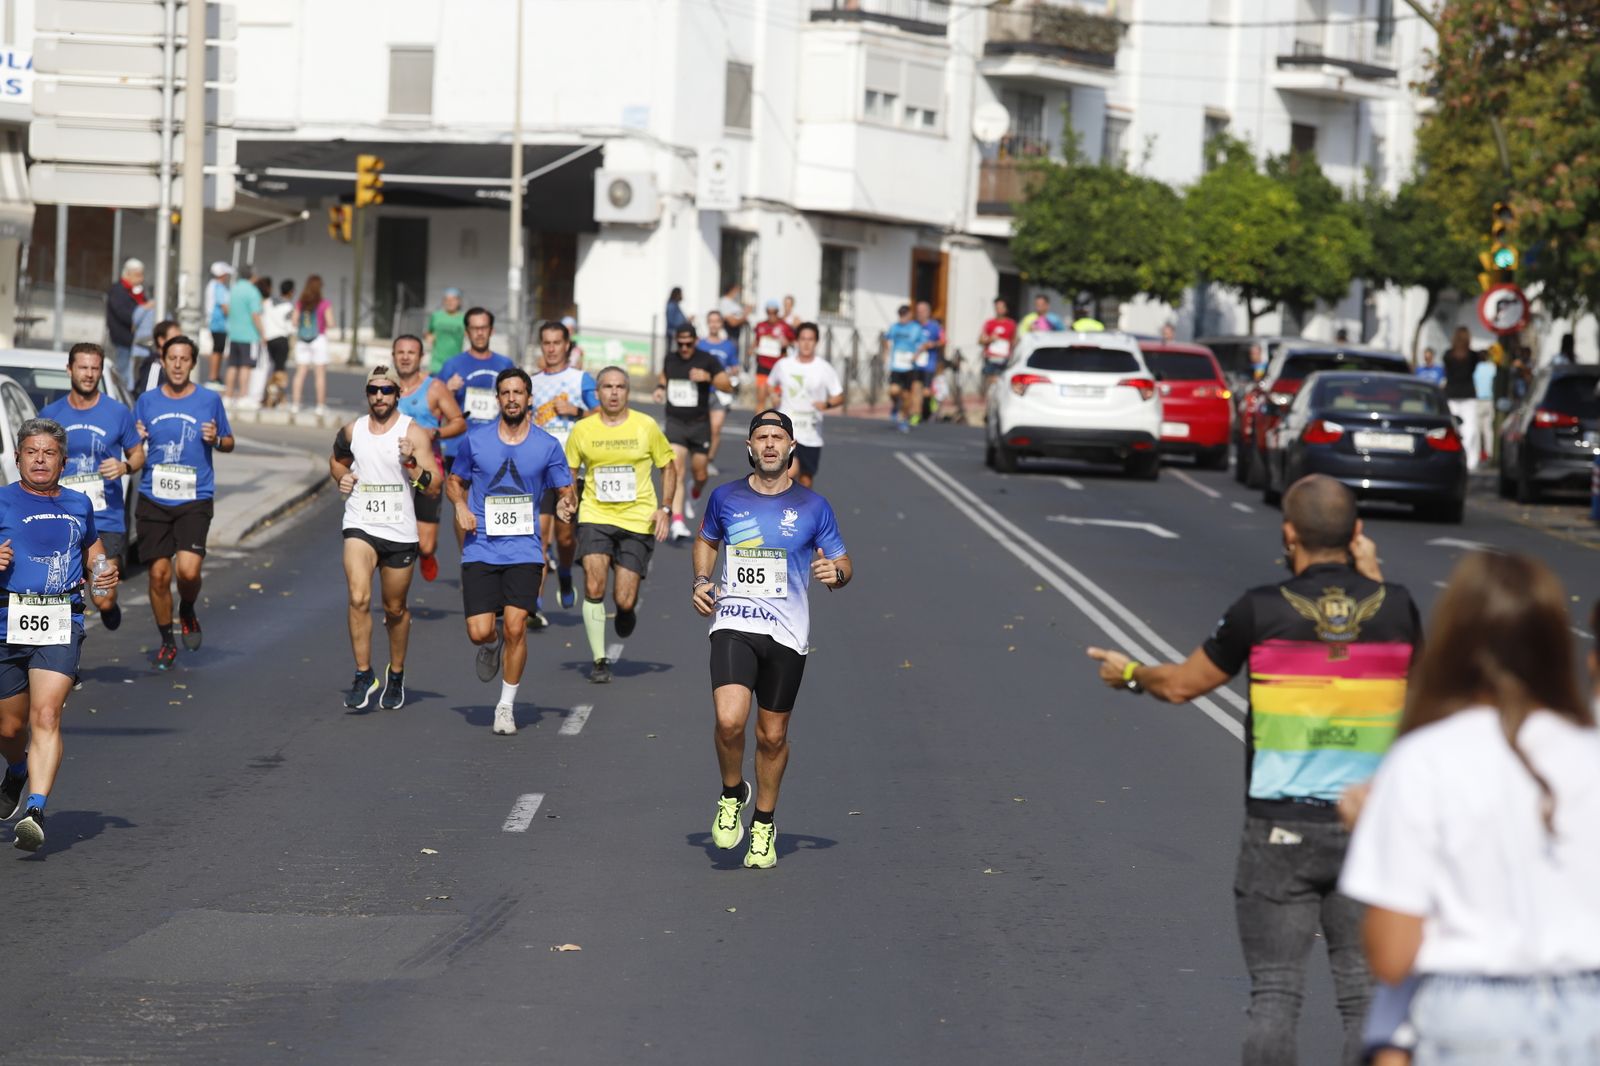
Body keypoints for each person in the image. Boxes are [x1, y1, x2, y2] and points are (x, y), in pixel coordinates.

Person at [1085, 474, 1420, 1066]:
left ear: (1289, 533)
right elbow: (1402, 657)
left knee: (1275, 996)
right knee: (1366, 999)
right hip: (1373, 832)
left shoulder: (1260, 610)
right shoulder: (1397, 609)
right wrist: (1371, 574)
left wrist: (1132, 673)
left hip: (1278, 832)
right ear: (1358, 534)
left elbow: (1186, 685)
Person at [1340, 555, 1600, 1063]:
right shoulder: (1589, 751)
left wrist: (1370, 834)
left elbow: (1392, 955)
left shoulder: (1425, 759)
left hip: (1470, 1016)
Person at [692, 410, 852, 869]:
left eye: (776, 438)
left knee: (772, 735)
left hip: (787, 632)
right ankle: (730, 793)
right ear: (748, 446)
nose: (768, 445)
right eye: (760, 437)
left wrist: (835, 574)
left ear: (790, 447)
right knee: (728, 721)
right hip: (735, 621)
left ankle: (763, 823)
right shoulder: (725, 497)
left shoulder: (813, 506)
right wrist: (702, 581)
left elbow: (842, 562)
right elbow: (706, 541)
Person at [0, 418, 120, 852]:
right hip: (7, 620)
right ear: (17, 458)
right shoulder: (2, 501)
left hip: (60, 618)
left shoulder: (79, 503)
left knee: (46, 715)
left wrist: (102, 572)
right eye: (31, 451)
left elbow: (93, 548)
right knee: (10, 728)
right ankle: (16, 770)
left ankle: (34, 809)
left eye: (48, 453)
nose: (39, 459)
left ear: (63, 461)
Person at [445, 368, 576, 736]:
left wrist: (567, 505)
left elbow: (566, 490)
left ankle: (505, 706)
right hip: (481, 546)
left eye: (519, 392)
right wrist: (459, 505)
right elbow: (455, 482)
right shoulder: (476, 440)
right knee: (479, 631)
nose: (513, 398)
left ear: (529, 398)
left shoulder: (547, 445)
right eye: (506, 393)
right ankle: (490, 646)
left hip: (525, 548)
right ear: (498, 399)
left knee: (517, 626)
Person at [330, 365, 442, 711]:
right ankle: (364, 674)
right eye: (374, 390)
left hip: (399, 530)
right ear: (367, 394)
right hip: (361, 524)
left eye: (387, 390)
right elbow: (336, 461)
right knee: (359, 597)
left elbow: (434, 486)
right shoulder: (352, 431)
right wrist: (343, 478)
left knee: (394, 609)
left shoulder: (414, 434)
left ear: (398, 394)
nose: (380, 396)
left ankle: (396, 673)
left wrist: (411, 464)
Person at [564, 366, 676, 684]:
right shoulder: (582, 430)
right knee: (593, 585)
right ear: (597, 392)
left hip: (637, 519)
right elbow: (570, 471)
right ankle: (600, 660)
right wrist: (568, 498)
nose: (614, 392)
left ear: (627, 391)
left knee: (624, 598)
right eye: (607, 387)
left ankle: (625, 611)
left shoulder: (646, 426)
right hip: (595, 516)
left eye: (620, 387)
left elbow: (668, 466)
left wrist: (665, 508)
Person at [134, 335, 235, 671]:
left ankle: (187, 608)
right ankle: (166, 641)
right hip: (154, 497)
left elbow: (229, 441)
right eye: (172, 358)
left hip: (195, 497)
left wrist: (216, 439)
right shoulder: (147, 401)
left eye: (184, 359)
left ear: (193, 363)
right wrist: (137, 438)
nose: (177, 365)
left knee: (188, 572)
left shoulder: (209, 400)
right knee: (159, 576)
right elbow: (133, 445)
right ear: (163, 361)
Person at [37, 343, 145, 633]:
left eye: (94, 368)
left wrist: (124, 467)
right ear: (69, 370)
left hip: (105, 519)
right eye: (83, 367)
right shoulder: (50, 414)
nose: (88, 374)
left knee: (103, 596)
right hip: (61, 516)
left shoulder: (117, 413)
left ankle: (107, 606)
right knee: (57, 591)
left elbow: (138, 454)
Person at [528, 320, 598, 625]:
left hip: (571, 471)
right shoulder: (532, 381)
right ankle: (535, 603)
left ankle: (567, 573)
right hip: (540, 470)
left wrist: (577, 412)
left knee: (566, 538)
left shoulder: (580, 379)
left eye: (557, 343)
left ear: (567, 346)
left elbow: (604, 412)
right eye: (547, 343)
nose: (552, 348)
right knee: (539, 537)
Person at [393, 334, 466, 583]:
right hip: (394, 470)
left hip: (426, 469)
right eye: (400, 352)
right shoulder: (384, 389)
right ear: (393, 357)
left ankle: (426, 555)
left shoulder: (434, 387)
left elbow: (459, 422)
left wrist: (436, 432)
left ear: (420, 357)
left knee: (425, 544)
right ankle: (397, 596)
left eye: (411, 352)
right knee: (395, 540)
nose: (405, 357)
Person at [653, 326, 732, 542]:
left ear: (696, 341)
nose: (684, 348)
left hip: (699, 425)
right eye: (680, 344)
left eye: (689, 343)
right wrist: (661, 387)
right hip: (675, 422)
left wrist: (708, 377)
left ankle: (694, 491)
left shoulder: (707, 360)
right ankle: (677, 521)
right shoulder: (670, 359)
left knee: (700, 474)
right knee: (676, 469)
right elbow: (664, 373)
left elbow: (727, 386)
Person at [767, 322, 844, 488]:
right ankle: (776, 509)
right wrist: (774, 395)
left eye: (810, 339)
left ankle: (801, 511)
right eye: (803, 339)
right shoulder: (784, 365)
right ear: (796, 341)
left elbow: (839, 396)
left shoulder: (824, 368)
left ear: (816, 342)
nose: (806, 343)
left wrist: (827, 404)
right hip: (787, 429)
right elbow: (770, 383)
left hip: (811, 431)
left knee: (806, 480)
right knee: (788, 472)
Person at [698, 309, 742, 471]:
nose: (714, 324)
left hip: (720, 392)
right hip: (702, 392)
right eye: (711, 321)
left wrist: (732, 372)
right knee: (700, 427)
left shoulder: (728, 346)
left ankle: (709, 460)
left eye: (717, 321)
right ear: (708, 323)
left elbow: (735, 366)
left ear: (721, 324)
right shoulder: (700, 344)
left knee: (716, 428)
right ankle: (699, 458)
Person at [290, 275, 335, 416]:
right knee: (320, 374)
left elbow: (294, 321)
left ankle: (296, 404)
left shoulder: (300, 303)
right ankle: (320, 406)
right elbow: (331, 322)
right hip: (319, 339)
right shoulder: (324, 303)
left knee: (300, 373)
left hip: (302, 339)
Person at [1441, 327, 1482, 471]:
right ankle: (1470, 460)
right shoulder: (1472, 356)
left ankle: (1452, 458)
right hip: (1468, 395)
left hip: (1451, 394)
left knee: (1452, 428)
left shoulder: (1447, 355)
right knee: (1470, 429)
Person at [224, 264, 264, 407]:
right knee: (246, 366)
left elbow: (227, 308)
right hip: (249, 334)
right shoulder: (253, 292)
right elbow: (255, 315)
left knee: (232, 365)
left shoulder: (233, 289)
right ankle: (243, 395)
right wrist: (262, 333)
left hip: (234, 333)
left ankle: (228, 396)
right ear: (253, 275)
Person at [105, 258, 148, 386]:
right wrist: (142, 310)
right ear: (128, 274)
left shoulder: (137, 292)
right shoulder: (118, 291)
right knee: (122, 372)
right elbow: (124, 314)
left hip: (135, 340)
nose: (141, 279)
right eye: (138, 275)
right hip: (123, 338)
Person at [883, 304, 923, 433]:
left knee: (907, 396)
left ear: (910, 315)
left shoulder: (916, 328)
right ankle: (896, 405)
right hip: (896, 365)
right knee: (893, 391)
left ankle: (903, 419)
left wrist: (916, 355)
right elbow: (886, 339)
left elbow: (923, 343)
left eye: (904, 315)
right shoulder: (895, 327)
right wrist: (886, 353)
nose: (902, 318)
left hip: (909, 366)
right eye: (900, 315)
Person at [752, 300, 796, 412]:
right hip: (763, 365)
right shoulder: (761, 325)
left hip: (778, 367)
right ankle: (758, 426)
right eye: (769, 312)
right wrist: (752, 349)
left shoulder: (784, 326)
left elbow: (795, 341)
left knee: (777, 401)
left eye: (774, 312)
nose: (771, 315)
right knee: (761, 398)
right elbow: (756, 342)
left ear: (777, 312)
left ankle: (778, 425)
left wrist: (787, 343)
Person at [260, 278, 295, 405]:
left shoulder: (268, 302)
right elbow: (290, 326)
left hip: (269, 339)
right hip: (281, 339)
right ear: (291, 291)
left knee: (270, 369)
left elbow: (262, 318)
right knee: (279, 372)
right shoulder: (289, 306)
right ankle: (277, 397)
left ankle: (267, 395)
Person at [913, 300, 944, 425]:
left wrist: (932, 344)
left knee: (926, 391)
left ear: (928, 312)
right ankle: (915, 415)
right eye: (918, 311)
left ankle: (932, 401)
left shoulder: (935, 326)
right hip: (915, 363)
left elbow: (943, 340)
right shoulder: (913, 325)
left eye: (922, 311)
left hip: (929, 363)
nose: (919, 314)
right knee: (915, 389)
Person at [425, 287, 467, 375]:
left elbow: (469, 335)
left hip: (455, 363)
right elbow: (428, 332)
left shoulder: (464, 318)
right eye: (447, 299)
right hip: (436, 364)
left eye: (453, 299)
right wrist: (428, 337)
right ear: (443, 301)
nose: (450, 302)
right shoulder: (436, 316)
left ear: (459, 301)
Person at [978, 297, 1018, 388]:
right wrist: (989, 339)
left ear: (1006, 309)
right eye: (997, 307)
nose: (999, 310)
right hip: (991, 357)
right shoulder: (989, 323)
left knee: (1003, 382)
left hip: (1005, 358)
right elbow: (980, 340)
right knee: (991, 382)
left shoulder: (1011, 324)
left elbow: (1015, 341)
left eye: (1001, 307)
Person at [204, 261, 231, 388]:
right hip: (218, 323)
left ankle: (215, 376)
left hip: (217, 323)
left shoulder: (213, 285)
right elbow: (224, 306)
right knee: (217, 350)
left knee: (218, 349)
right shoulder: (218, 287)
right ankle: (213, 377)